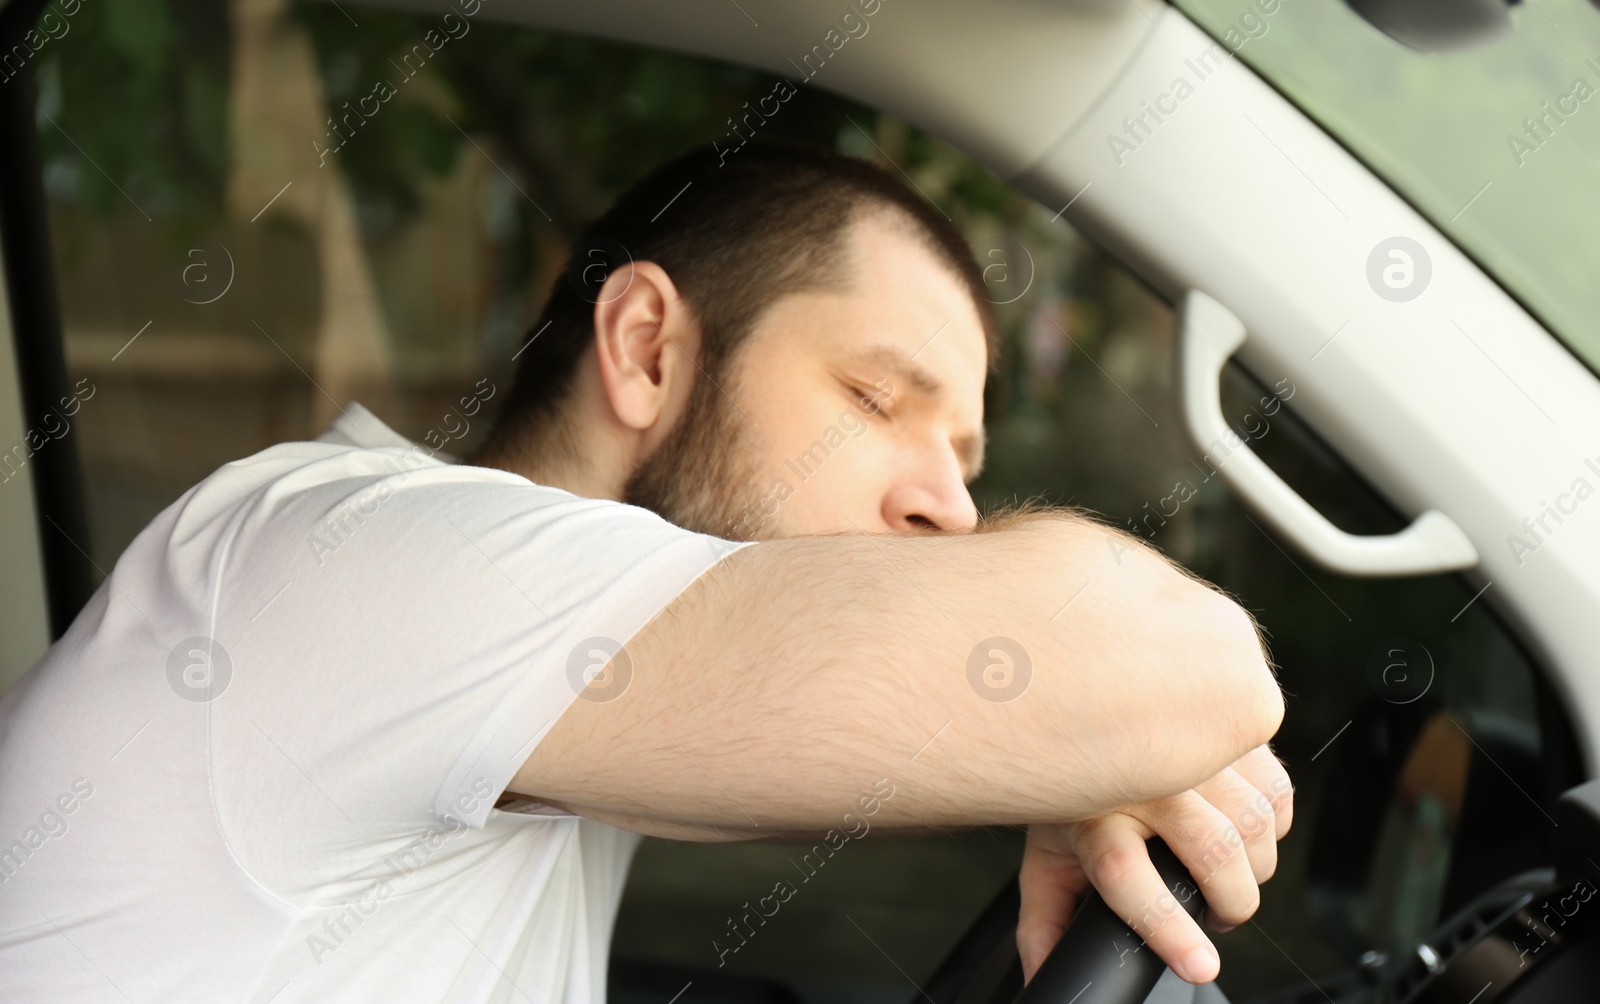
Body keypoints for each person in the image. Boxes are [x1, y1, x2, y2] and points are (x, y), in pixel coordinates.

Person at [0, 139, 1289, 1003]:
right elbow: (1188, 668)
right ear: (647, 349)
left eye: (966, 460)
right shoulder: (366, 563)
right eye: (877, 397)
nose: (950, 509)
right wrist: (1095, 721)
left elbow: (1091, 685)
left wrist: (1072, 747)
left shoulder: (563, 696)